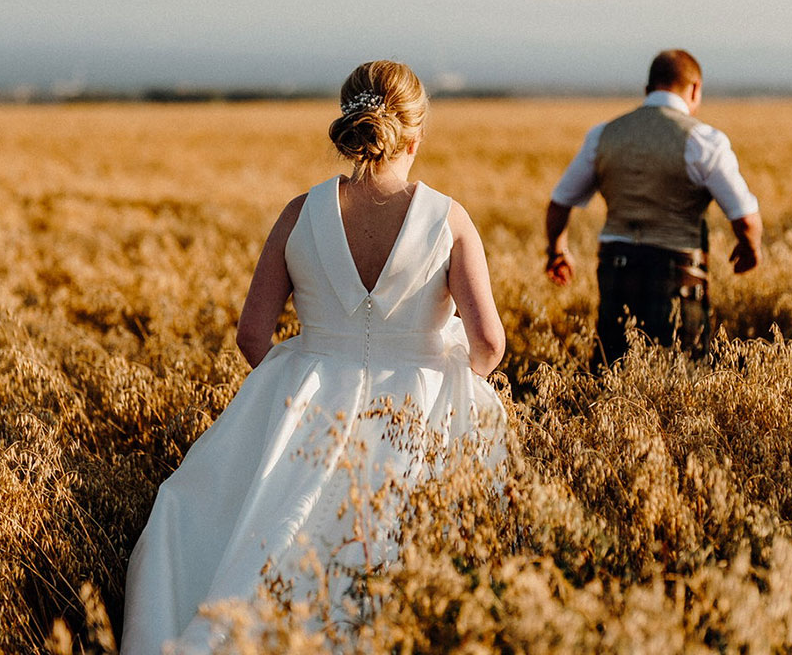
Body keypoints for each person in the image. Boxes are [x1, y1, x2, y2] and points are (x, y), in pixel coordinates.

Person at [120, 60, 507, 654]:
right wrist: (450, 381)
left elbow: (253, 334)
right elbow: (488, 345)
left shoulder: (301, 213)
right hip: (417, 414)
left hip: (308, 403)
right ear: (416, 131)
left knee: (255, 539)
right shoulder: (448, 219)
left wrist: (302, 379)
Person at [544, 49, 762, 363]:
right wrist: (750, 248)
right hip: (677, 274)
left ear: (647, 90)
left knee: (611, 368)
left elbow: (560, 203)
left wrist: (557, 250)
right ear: (695, 88)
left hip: (614, 269)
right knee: (683, 372)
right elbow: (745, 220)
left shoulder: (604, 135)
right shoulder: (703, 140)